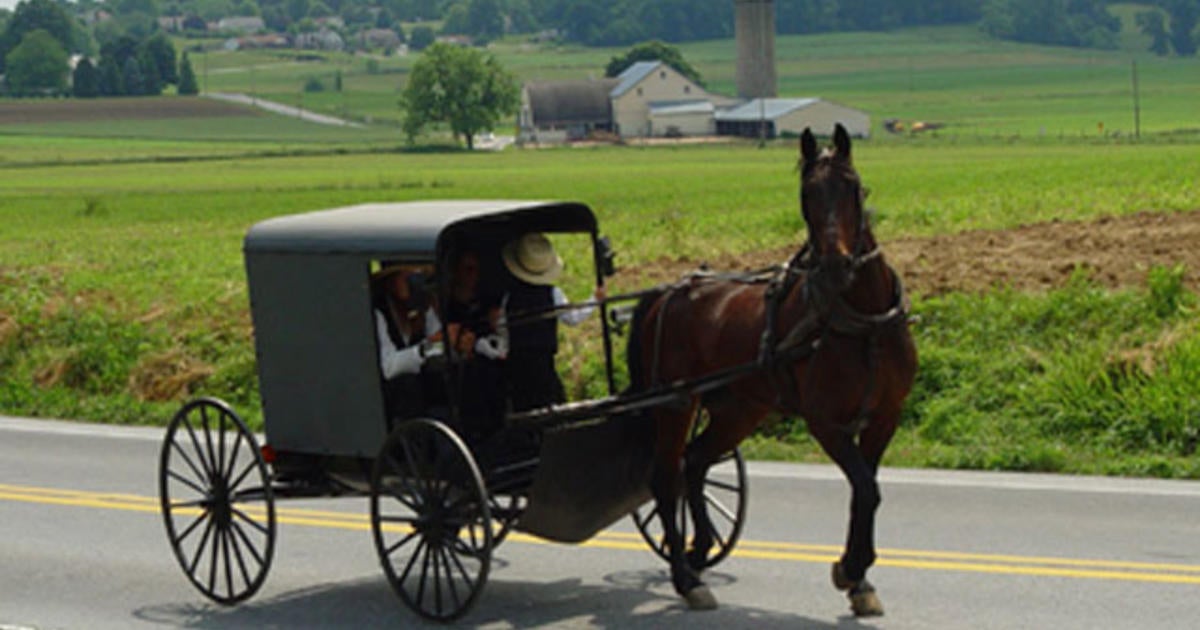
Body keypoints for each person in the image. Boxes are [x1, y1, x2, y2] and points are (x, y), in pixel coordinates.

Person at [499, 233, 605, 412]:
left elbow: (502, 330)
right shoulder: (552, 293)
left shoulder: (508, 297)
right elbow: (572, 318)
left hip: (517, 369)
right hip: (544, 366)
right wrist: (594, 299)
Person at [372, 263, 473, 425]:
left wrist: (455, 346)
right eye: (408, 278)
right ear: (391, 282)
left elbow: (437, 346)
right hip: (390, 400)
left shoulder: (423, 307)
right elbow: (388, 367)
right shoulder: (378, 314)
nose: (415, 284)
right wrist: (426, 347)